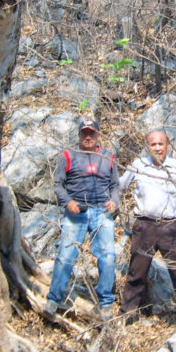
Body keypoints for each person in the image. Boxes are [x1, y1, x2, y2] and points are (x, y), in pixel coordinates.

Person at [118, 129, 176, 324]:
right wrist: (110, 205)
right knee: (137, 271)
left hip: (171, 227)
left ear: (167, 146)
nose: (157, 148)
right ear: (147, 147)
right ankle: (127, 313)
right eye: (153, 144)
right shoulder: (138, 165)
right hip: (144, 226)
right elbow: (120, 186)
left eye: (161, 144)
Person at [44, 119, 120, 321]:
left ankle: (105, 302)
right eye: (84, 133)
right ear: (78, 135)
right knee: (65, 255)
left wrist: (114, 202)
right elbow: (58, 184)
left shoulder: (109, 157)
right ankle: (53, 299)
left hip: (101, 212)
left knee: (108, 256)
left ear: (98, 136)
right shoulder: (68, 155)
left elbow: (116, 186)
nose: (88, 137)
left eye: (92, 133)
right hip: (75, 212)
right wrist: (67, 201)